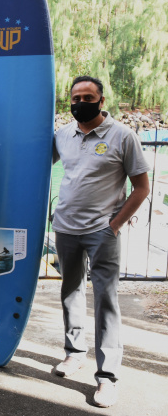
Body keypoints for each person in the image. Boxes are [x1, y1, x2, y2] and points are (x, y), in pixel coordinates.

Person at [52, 76, 150, 408]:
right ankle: (74, 353)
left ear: (101, 100)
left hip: (102, 231)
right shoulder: (63, 135)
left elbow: (141, 187)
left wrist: (115, 225)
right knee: (70, 291)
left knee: (105, 300)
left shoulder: (123, 136)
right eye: (75, 97)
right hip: (65, 228)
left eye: (87, 96)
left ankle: (107, 377)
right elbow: (32, 165)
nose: (80, 102)